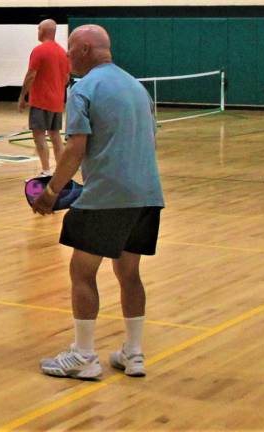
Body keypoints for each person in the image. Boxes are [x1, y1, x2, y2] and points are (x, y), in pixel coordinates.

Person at [33, 24, 165, 379]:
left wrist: (51, 192)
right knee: (128, 272)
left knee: (82, 271)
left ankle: (84, 356)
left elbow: (76, 148)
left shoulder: (83, 89)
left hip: (106, 197)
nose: (67, 56)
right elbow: (150, 141)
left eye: (71, 50)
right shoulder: (137, 88)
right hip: (147, 194)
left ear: (86, 50)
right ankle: (133, 353)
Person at [18, 19, 69, 177]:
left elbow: (31, 75)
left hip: (41, 102)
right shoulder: (62, 52)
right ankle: (61, 173)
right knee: (55, 137)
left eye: (39, 28)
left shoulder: (39, 50)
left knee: (39, 136)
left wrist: (22, 96)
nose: (37, 31)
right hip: (57, 103)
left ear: (44, 31)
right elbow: (67, 77)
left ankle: (46, 170)